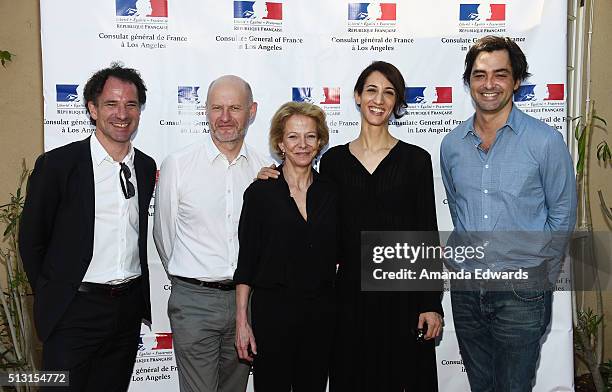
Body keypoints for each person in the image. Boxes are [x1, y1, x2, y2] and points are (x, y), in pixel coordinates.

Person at [259, 61, 443, 391]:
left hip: (402, 296)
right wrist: (271, 176)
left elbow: (426, 236)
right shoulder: (333, 162)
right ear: (357, 97)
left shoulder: (416, 160)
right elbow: (304, 198)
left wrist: (430, 303)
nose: (379, 99)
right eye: (371, 90)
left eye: (389, 93)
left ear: (397, 103)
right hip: (349, 299)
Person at [440, 36, 577, 391]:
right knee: (481, 386)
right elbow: (457, 207)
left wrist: (539, 273)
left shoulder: (545, 141)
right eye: (479, 75)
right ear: (468, 81)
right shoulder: (452, 145)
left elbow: (561, 214)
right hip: (467, 289)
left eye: (500, 74)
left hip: (522, 291)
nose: (489, 84)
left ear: (516, 80)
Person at [19, 63, 157, 392]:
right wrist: (57, 293)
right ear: (92, 109)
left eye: (131, 104)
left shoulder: (146, 166)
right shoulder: (58, 165)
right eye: (111, 104)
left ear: (140, 110)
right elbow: (31, 241)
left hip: (126, 311)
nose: (122, 113)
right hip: (73, 311)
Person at [153, 75, 269, 392]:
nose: (225, 117)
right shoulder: (178, 165)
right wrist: (193, 279)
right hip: (194, 302)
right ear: (205, 110)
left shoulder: (266, 169)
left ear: (252, 111)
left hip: (247, 303)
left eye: (235, 107)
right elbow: (164, 236)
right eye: (217, 107)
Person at [234, 101, 336, 391]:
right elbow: (247, 263)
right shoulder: (260, 193)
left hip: (321, 315)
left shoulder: (332, 191)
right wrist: (242, 320)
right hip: (272, 314)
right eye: (293, 136)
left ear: (320, 142)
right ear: (280, 142)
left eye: (310, 136)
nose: (302, 144)